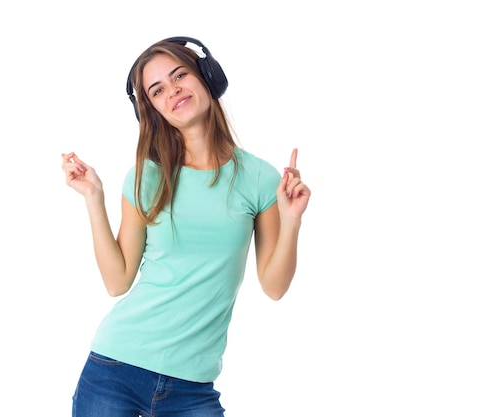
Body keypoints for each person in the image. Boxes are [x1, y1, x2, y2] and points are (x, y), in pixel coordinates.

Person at [61, 36, 311, 417]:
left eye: (180, 75)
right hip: (115, 370)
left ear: (206, 76)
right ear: (152, 109)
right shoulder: (146, 177)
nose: (173, 90)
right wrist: (94, 200)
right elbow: (118, 281)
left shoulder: (260, 179)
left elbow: (274, 287)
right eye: (157, 90)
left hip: (192, 389)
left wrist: (291, 221)